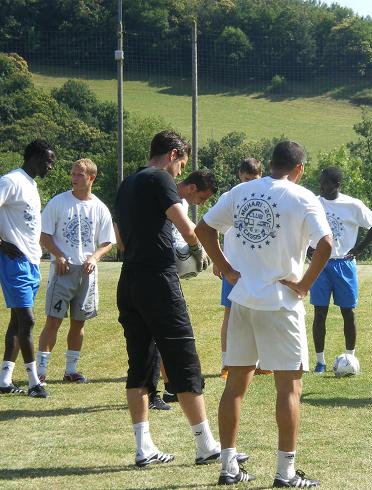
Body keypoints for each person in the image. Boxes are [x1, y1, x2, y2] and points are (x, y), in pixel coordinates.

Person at [195, 140, 332, 487]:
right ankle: (285, 473)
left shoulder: (242, 190)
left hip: (242, 300)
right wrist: (303, 286)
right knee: (289, 389)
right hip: (281, 303)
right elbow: (327, 244)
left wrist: (224, 267)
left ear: (270, 164)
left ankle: (228, 467)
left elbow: (203, 229)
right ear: (299, 169)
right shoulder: (304, 198)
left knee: (235, 386)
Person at [114, 130, 238, 467]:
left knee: (140, 364)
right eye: (181, 162)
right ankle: (205, 444)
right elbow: (188, 228)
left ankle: (144, 448)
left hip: (129, 280)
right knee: (183, 358)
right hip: (158, 281)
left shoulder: (127, 183)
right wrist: (199, 252)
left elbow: (120, 237)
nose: (181, 171)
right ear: (172, 154)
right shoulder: (162, 179)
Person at [36, 158, 115, 384]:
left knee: (79, 322)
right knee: (53, 320)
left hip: (87, 274)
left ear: (91, 178)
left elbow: (108, 242)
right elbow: (45, 235)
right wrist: (59, 255)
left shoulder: (99, 207)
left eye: (79, 175)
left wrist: (94, 256)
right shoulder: (58, 202)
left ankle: (71, 370)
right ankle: (40, 372)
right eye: (72, 174)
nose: (74, 178)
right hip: (63, 270)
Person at [149, 168, 219, 410]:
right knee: (164, 332)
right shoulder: (173, 198)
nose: (202, 202)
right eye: (203, 197)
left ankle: (171, 387)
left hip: (166, 272)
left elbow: (185, 231)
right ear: (191, 188)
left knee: (165, 331)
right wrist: (197, 250)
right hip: (156, 271)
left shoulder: (181, 201)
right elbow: (185, 231)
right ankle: (160, 388)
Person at [308, 167, 372, 373]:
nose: (321, 186)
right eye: (320, 182)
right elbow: (300, 226)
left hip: (343, 264)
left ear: (337, 185)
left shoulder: (352, 205)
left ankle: (350, 358)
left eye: (325, 183)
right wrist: (307, 248)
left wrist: (358, 249)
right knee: (319, 312)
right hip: (320, 264)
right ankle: (320, 361)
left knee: (348, 312)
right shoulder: (314, 202)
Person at [0, 140, 55, 398]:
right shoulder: (11, 181)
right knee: (28, 320)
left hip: (32, 262)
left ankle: (4, 379)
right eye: (48, 161)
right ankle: (34, 383)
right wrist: (1, 243)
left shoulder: (30, 184)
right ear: (33, 157)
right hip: (15, 262)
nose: (51, 167)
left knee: (17, 322)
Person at [217, 157, 269, 380]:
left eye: (254, 179)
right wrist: (220, 262)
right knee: (230, 315)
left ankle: (262, 362)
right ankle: (226, 363)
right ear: (239, 175)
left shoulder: (264, 197)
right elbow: (213, 229)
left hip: (257, 268)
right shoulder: (229, 197)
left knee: (262, 315)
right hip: (234, 268)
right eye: (246, 178)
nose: (249, 183)